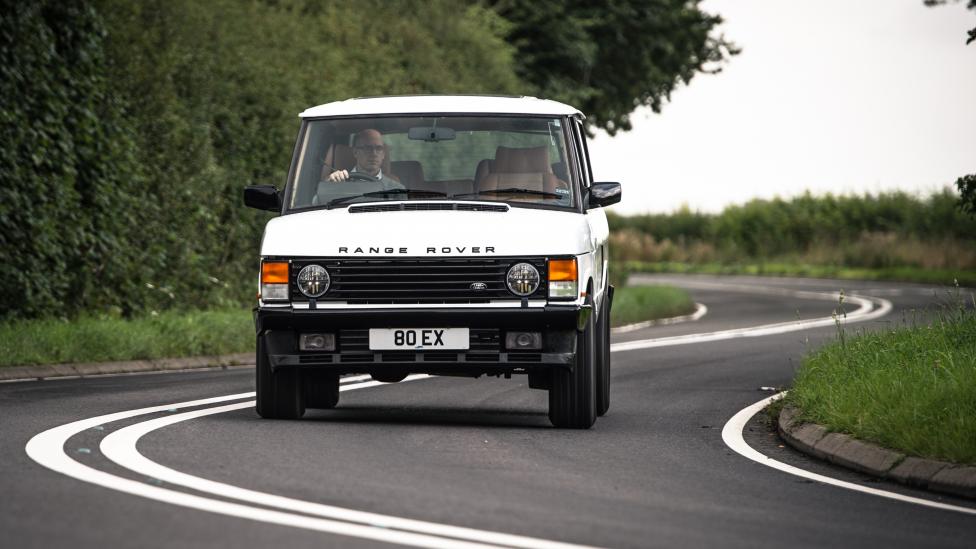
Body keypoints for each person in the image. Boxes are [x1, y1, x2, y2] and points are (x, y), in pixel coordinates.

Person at [325, 129, 403, 190]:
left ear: (383, 154)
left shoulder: (395, 188)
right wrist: (328, 186)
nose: (374, 153)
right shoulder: (338, 182)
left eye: (379, 148)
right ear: (355, 152)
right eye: (368, 148)